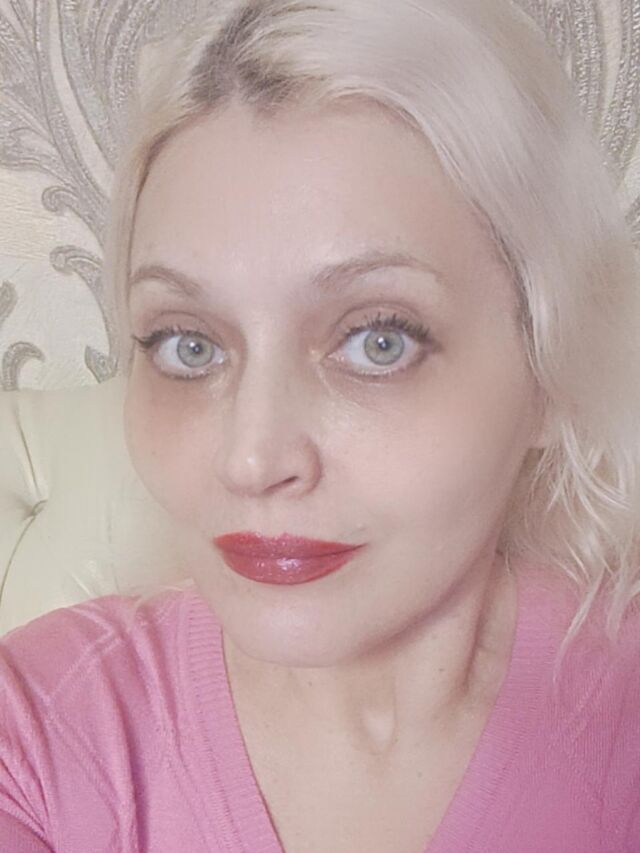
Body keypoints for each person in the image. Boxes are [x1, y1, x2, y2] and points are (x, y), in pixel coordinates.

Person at [1, 0, 639, 850]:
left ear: (550, 372)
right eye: (190, 345)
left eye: (379, 340)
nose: (252, 457)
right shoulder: (36, 731)